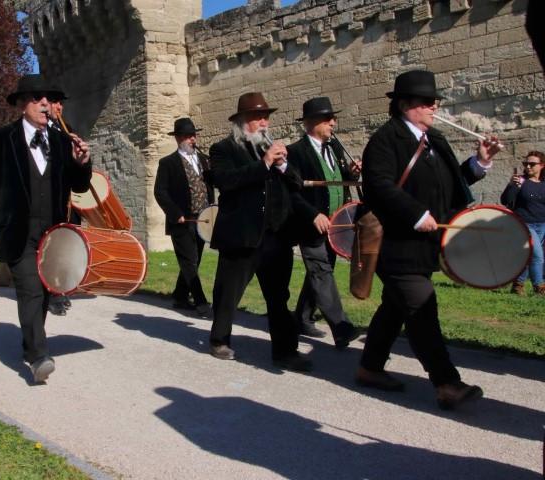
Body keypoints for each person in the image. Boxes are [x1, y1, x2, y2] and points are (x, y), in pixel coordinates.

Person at [355, 70, 501, 410]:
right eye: (426, 101)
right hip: (396, 246)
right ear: (405, 105)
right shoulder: (385, 141)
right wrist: (416, 214)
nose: (434, 106)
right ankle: (447, 383)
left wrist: (480, 162)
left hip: (427, 246)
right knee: (421, 305)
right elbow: (378, 186)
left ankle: (369, 367)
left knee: (394, 308)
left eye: (434, 101)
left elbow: (452, 185)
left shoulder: (435, 139)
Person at [0, 74, 92, 383]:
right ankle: (39, 356)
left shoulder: (64, 140)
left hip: (53, 232)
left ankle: (30, 344)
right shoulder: (1, 138)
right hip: (16, 229)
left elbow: (79, 185)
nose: (44, 104)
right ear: (23, 104)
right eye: (37, 98)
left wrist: (83, 161)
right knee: (30, 290)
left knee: (47, 291)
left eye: (48, 99)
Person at [207, 92, 313, 372]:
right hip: (241, 235)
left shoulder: (275, 150)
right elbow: (226, 181)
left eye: (266, 117)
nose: (264, 123)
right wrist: (264, 164)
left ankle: (285, 351)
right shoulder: (223, 149)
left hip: (275, 236)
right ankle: (219, 339)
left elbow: (297, 183)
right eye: (257, 118)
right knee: (228, 292)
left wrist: (284, 165)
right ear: (242, 121)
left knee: (278, 297)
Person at [286, 97, 360, 348]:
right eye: (328, 119)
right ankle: (341, 327)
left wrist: (352, 173)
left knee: (321, 270)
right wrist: (312, 214)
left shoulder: (335, 148)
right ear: (312, 122)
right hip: (312, 225)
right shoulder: (295, 152)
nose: (333, 123)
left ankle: (302, 318)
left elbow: (339, 180)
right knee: (320, 270)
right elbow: (290, 192)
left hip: (337, 224)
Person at [154, 118, 214, 318]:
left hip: (203, 219)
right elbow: (160, 192)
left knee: (193, 261)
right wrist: (175, 213)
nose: (192, 139)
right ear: (178, 138)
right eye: (188, 136)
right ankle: (201, 303)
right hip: (181, 220)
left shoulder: (204, 160)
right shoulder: (168, 163)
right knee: (188, 261)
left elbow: (210, 186)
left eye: (194, 135)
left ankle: (180, 296)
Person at [46, 96, 76, 316]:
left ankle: (61, 287)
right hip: (46, 199)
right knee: (49, 247)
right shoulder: (40, 133)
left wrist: (80, 156)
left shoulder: (68, 130)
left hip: (66, 199)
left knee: (65, 245)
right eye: (56, 103)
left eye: (61, 104)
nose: (60, 107)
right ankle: (52, 293)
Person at [501, 151, 545, 295]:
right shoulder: (520, 181)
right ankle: (539, 287)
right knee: (537, 255)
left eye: (532, 164)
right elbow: (505, 200)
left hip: (542, 225)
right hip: (524, 224)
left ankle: (518, 285)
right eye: (525, 163)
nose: (527, 166)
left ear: (542, 165)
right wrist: (512, 185)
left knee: (528, 255)